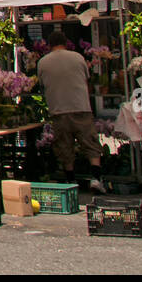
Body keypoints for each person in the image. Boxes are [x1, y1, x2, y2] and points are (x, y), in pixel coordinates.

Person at [36, 30, 105, 193]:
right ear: (65, 42)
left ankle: (70, 179)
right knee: (90, 143)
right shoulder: (78, 58)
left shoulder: (43, 62)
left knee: (64, 146)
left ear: (49, 44)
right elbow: (86, 78)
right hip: (80, 106)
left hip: (58, 109)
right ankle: (96, 178)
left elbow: (41, 84)